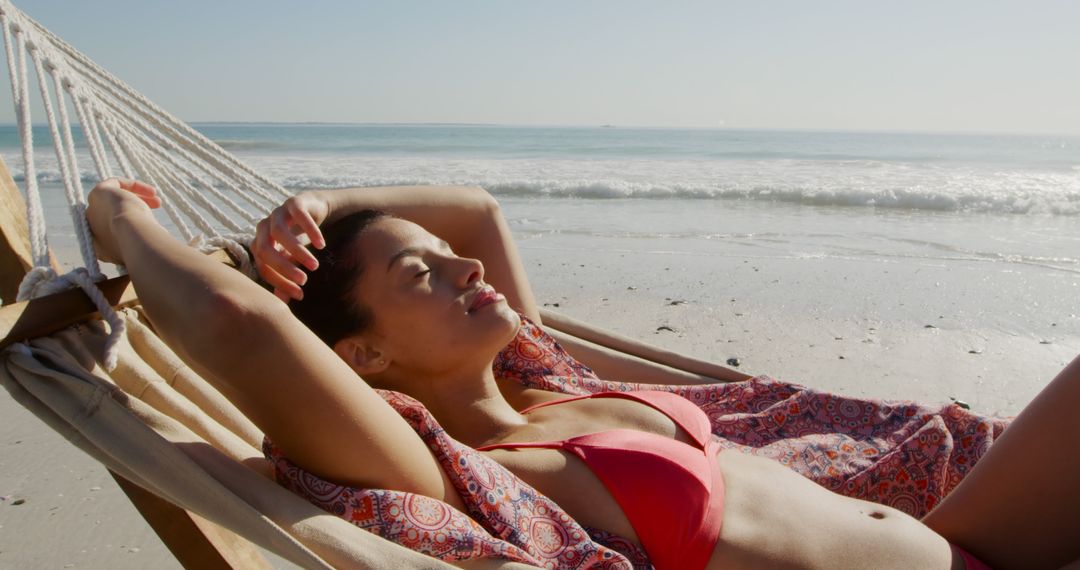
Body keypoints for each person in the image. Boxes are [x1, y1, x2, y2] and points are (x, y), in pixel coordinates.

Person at [86, 177, 1080, 570]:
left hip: (968, 538)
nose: (466, 267)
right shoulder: (454, 467)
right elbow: (236, 324)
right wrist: (118, 212)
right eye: (419, 276)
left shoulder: (543, 375)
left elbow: (473, 212)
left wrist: (324, 200)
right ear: (364, 358)